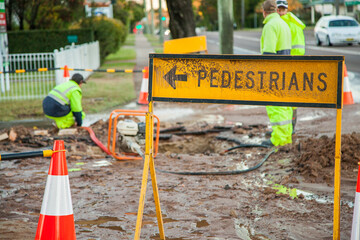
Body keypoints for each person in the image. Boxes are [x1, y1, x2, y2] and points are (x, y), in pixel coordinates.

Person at [260, 0, 293, 147]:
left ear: (264, 12)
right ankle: (286, 137)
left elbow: (268, 53)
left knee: (275, 107)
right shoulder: (283, 24)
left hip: (274, 74)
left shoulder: (270, 26)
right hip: (285, 70)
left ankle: (278, 139)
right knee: (285, 106)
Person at [277, 0, 306, 133]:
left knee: (289, 98)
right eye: (278, 10)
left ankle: (289, 128)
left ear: (287, 10)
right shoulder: (287, 23)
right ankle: (287, 128)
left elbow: (296, 49)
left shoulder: (289, 25)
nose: (280, 12)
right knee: (287, 97)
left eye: (282, 10)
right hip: (289, 64)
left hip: (290, 65)